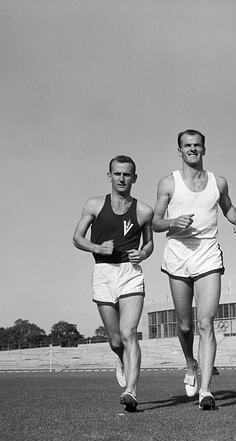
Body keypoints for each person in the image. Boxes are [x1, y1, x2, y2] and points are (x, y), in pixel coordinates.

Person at [153, 129, 236, 410]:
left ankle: (206, 390)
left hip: (208, 253)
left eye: (197, 145)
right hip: (178, 254)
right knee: (185, 324)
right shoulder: (169, 183)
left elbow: (229, 208)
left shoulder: (218, 182)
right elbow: (156, 221)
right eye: (187, 146)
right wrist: (172, 223)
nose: (192, 149)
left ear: (204, 149)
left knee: (206, 323)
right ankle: (190, 363)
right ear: (179, 150)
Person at [73, 155, 154, 412]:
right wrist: (98, 247)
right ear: (109, 175)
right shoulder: (94, 205)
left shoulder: (144, 211)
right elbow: (77, 238)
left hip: (131, 273)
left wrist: (142, 253)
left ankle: (131, 391)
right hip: (103, 273)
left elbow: (149, 243)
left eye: (127, 174)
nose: (122, 179)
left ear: (134, 178)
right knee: (116, 339)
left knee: (130, 333)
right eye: (117, 174)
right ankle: (120, 359)